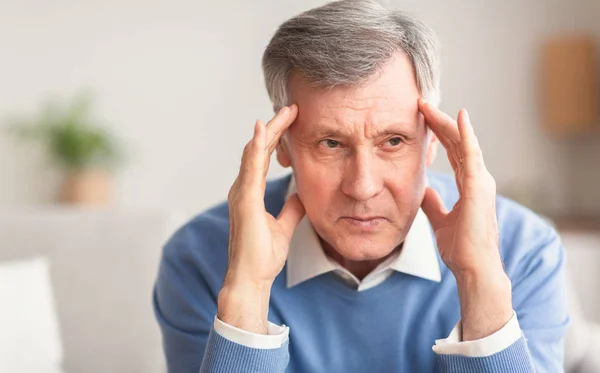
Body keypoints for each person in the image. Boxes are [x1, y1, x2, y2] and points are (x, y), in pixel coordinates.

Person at [153, 1, 569, 372]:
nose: (363, 187)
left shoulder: (524, 252)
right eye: (330, 143)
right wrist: (246, 294)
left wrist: (480, 283)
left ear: (431, 143)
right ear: (281, 145)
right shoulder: (198, 259)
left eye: (393, 141)